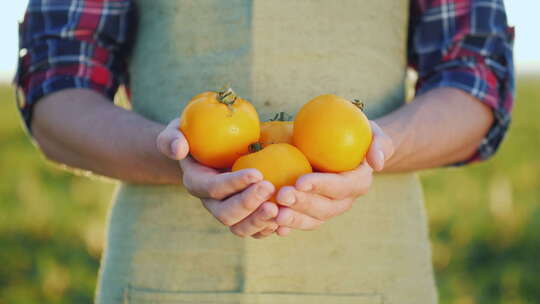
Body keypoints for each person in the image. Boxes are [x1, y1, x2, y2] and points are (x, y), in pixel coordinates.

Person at [15, 0, 514, 303]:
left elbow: (475, 79)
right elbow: (57, 88)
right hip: (161, 274)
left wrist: (376, 146)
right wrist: (170, 153)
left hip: (375, 274)